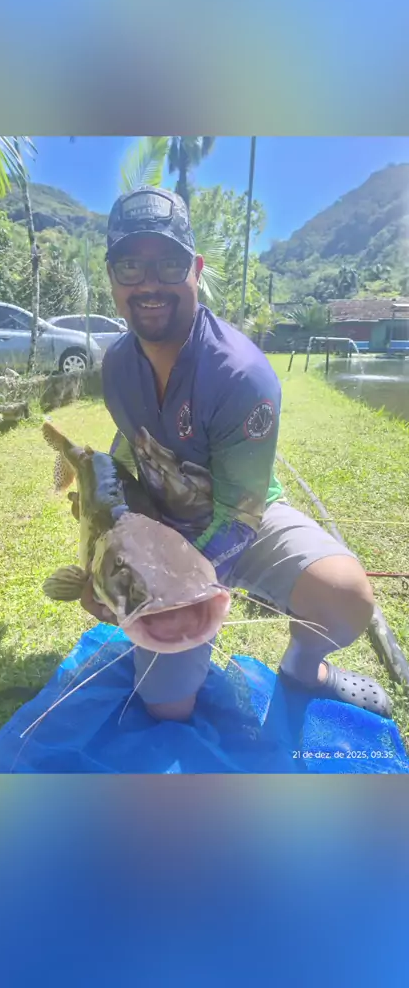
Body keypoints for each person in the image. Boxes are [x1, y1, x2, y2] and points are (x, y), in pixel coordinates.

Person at [79, 186, 392, 722]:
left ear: (196, 269)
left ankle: (305, 668)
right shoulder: (115, 366)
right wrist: (112, 560)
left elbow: (240, 515)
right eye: (130, 266)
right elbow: (128, 449)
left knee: (345, 597)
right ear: (111, 277)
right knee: (167, 707)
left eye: (169, 263)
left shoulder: (241, 375)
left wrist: (178, 588)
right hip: (162, 526)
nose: (149, 284)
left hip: (242, 519)